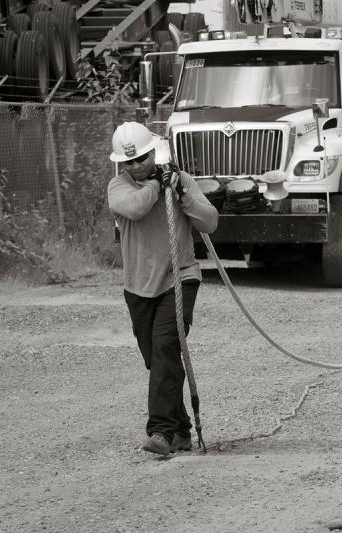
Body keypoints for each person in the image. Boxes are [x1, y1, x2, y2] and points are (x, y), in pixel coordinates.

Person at [107, 122, 219, 455]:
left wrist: (181, 194)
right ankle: (182, 430)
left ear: (153, 152)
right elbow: (136, 208)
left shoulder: (181, 181)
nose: (135, 166)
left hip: (179, 278)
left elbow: (209, 222)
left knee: (165, 348)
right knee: (158, 361)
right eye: (128, 162)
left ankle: (161, 431)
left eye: (140, 158)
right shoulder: (118, 186)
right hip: (139, 287)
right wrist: (158, 184)